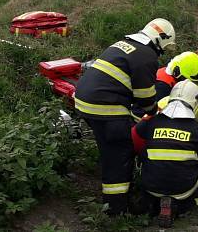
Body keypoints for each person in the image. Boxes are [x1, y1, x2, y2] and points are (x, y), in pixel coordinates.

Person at [74, 18, 175, 215]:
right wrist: (156, 113)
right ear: (160, 41)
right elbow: (144, 98)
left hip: (84, 100)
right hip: (105, 107)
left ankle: (108, 187)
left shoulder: (124, 43)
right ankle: (116, 210)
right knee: (121, 153)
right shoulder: (147, 56)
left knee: (109, 146)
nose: (161, 53)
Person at [132, 81, 198, 227]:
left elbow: (135, 138)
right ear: (196, 102)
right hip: (184, 188)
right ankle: (183, 206)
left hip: (151, 184)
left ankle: (153, 204)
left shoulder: (151, 122)